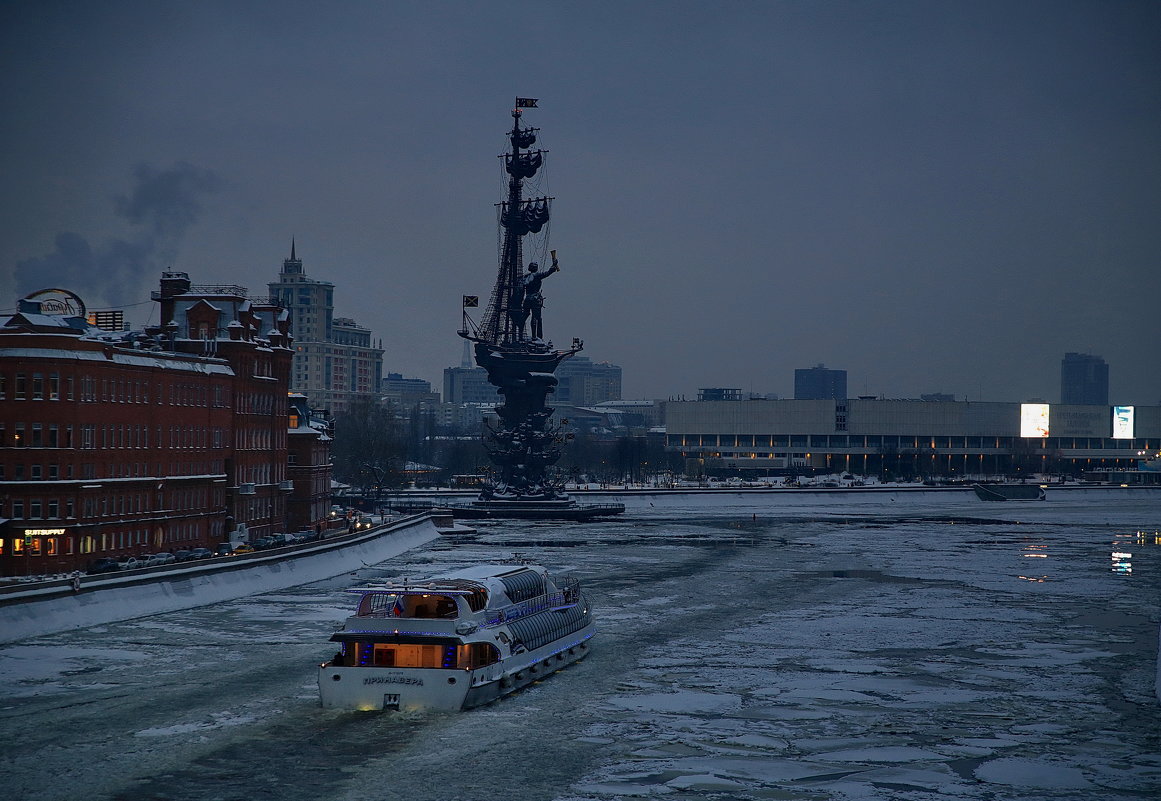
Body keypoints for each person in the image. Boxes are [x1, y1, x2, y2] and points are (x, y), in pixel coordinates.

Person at [520, 257, 560, 340]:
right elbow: (548, 273)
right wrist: (554, 265)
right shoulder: (537, 276)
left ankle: (520, 334)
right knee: (536, 318)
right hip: (535, 299)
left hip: (527, 299)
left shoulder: (525, 277)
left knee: (524, 316)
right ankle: (537, 337)